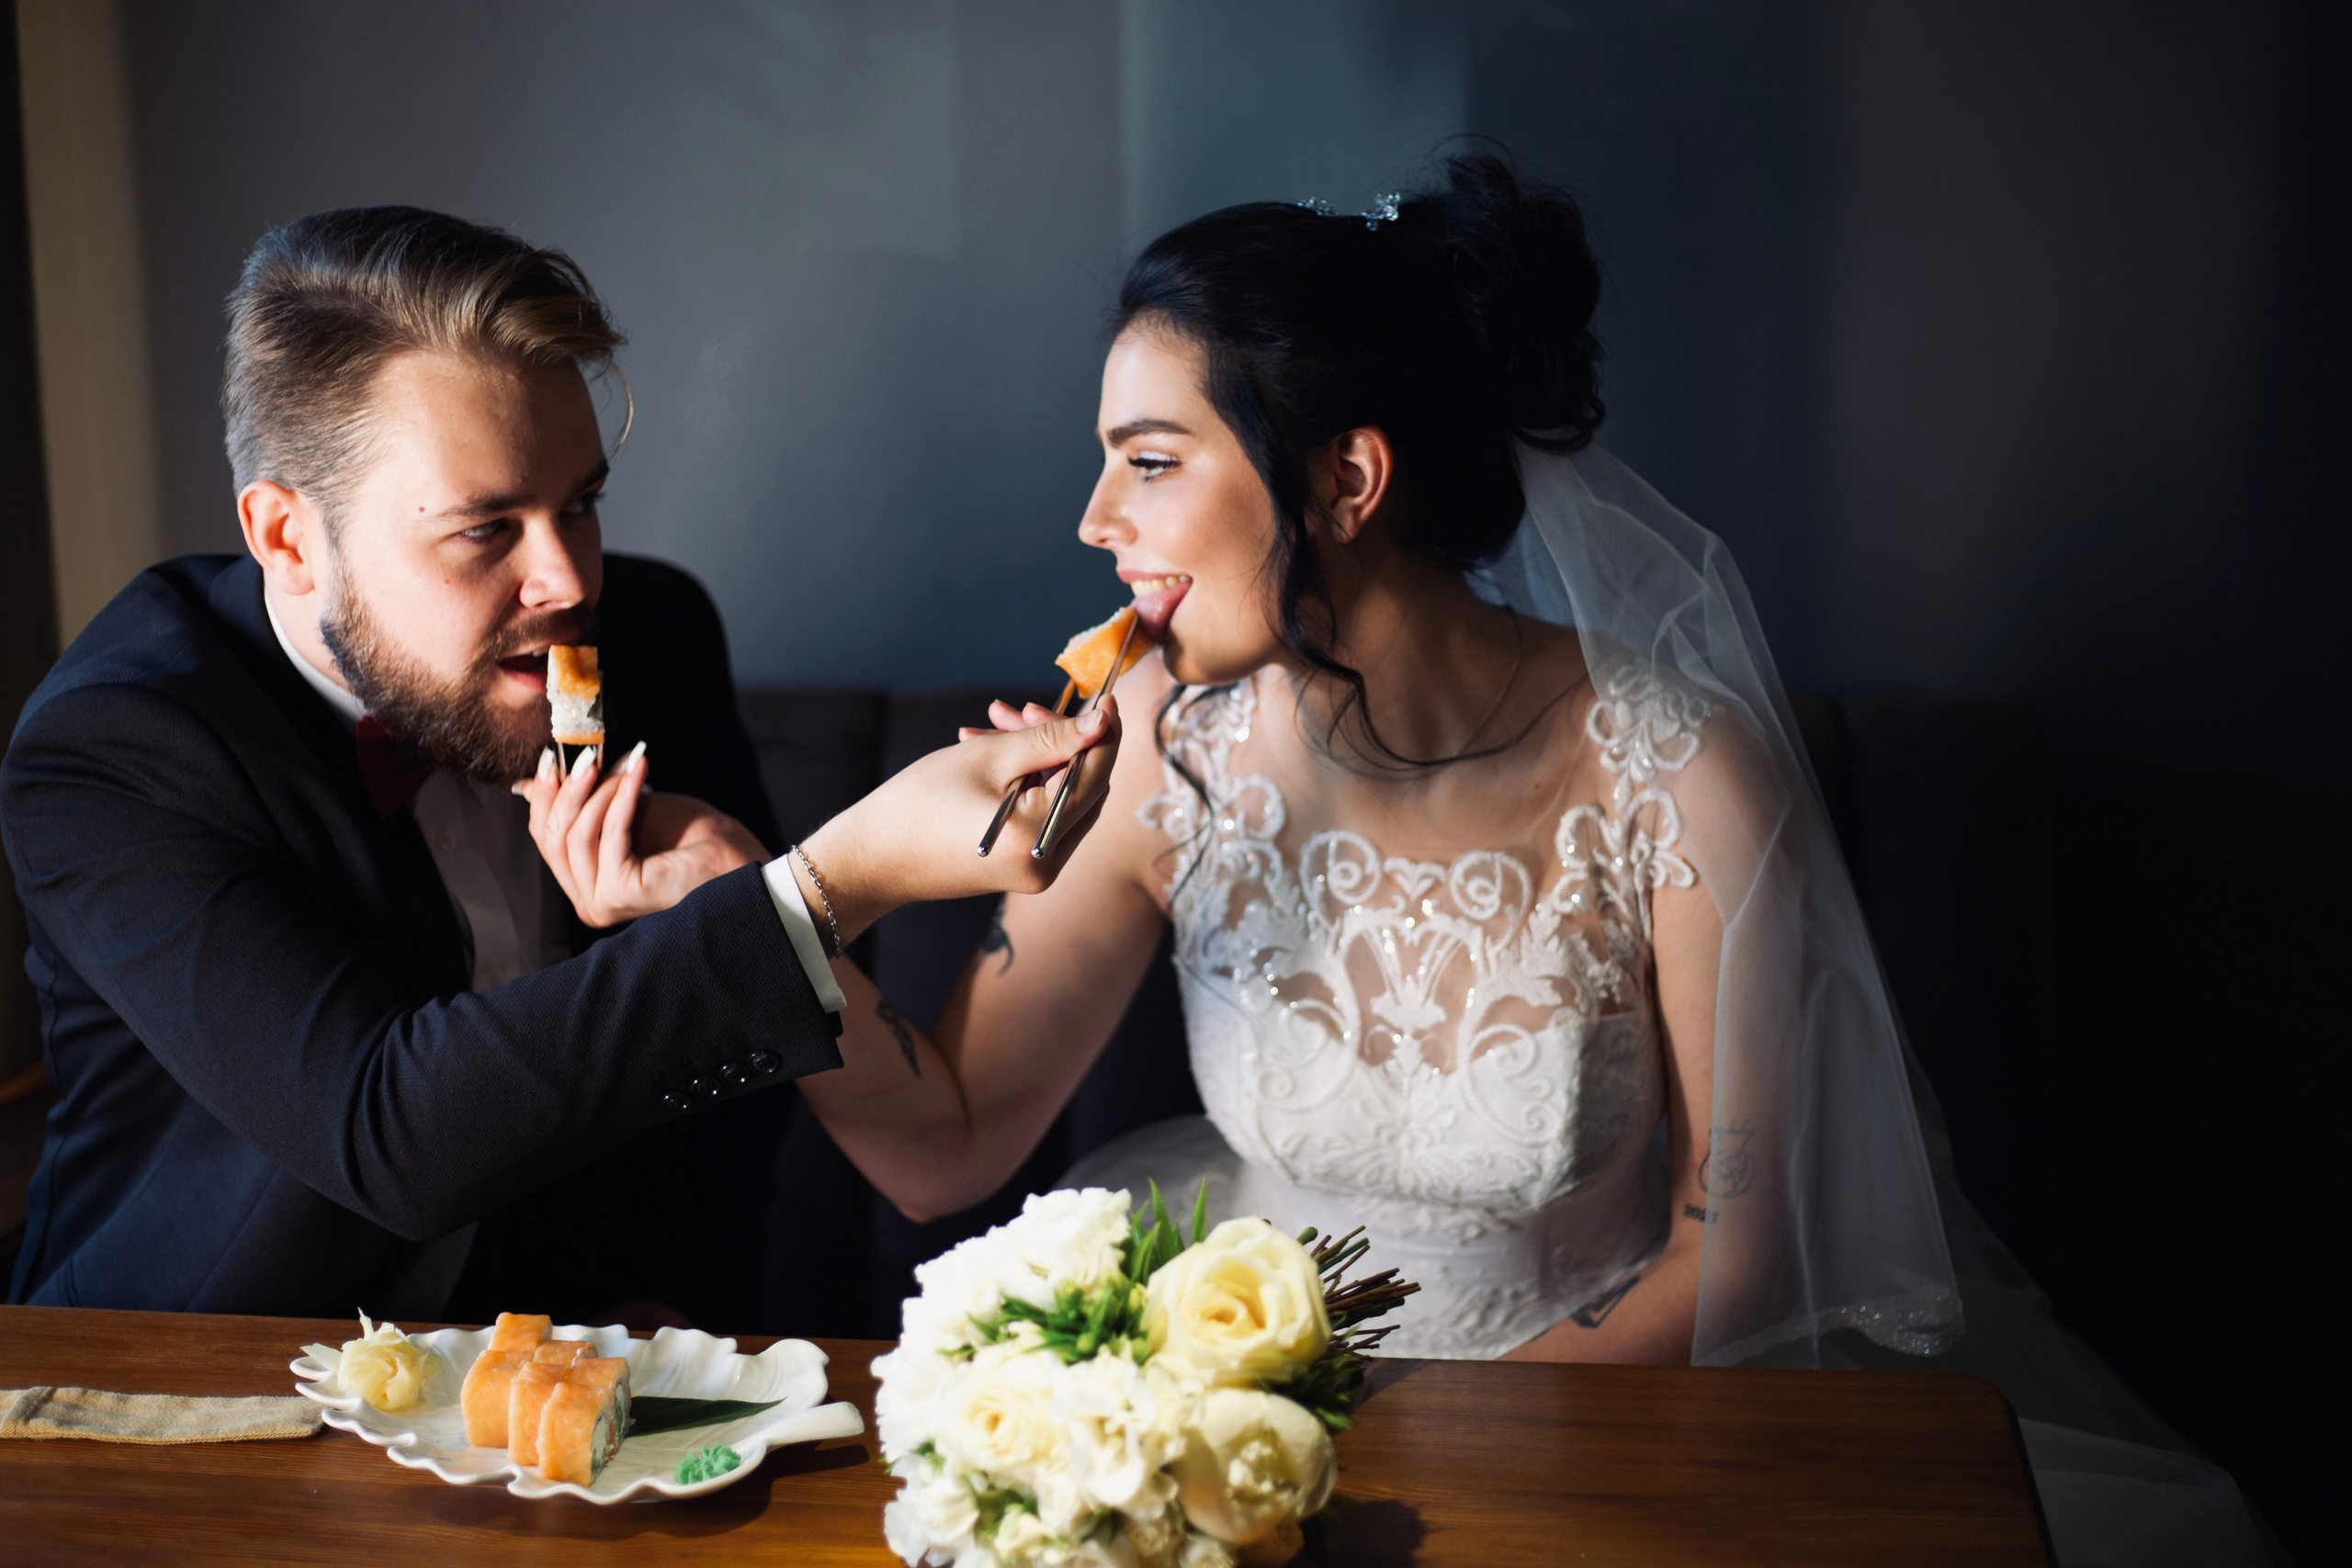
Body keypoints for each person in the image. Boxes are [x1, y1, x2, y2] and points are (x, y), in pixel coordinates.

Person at [660, 157, 2272, 1563]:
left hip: (1610, 1410)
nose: (1095, 518)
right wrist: (761, 909)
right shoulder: (1162, 740)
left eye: (1149, 459)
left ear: (1345, 481)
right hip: (1235, 1413)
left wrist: (1390, 1439)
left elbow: (1747, 1244)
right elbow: (941, 1144)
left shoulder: (1678, 763)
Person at [0, 207, 1123, 1327]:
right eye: (486, 530)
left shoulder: (658, 634)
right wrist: (831, 879)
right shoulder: (116, 752)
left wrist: (685, 1321)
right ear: (288, 539)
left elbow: (726, 1106)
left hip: (587, 1378)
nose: (568, 581)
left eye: (579, 502)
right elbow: (389, 1133)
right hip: (192, 1396)